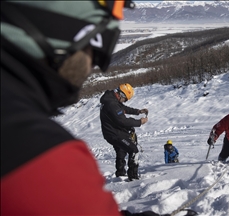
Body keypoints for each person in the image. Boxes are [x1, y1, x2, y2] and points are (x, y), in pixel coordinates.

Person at [1, 1, 162, 215]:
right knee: (129, 151)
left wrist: (137, 112)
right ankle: (129, 175)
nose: (93, 65)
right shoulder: (41, 155)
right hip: (110, 135)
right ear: (69, 37)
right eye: (97, 51)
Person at [100, 83, 148, 181]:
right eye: (125, 99)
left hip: (113, 131)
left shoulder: (111, 99)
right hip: (114, 133)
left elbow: (123, 108)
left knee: (121, 150)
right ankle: (133, 177)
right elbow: (123, 121)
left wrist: (138, 111)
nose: (125, 101)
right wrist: (139, 122)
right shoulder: (111, 104)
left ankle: (120, 174)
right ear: (121, 95)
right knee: (134, 150)